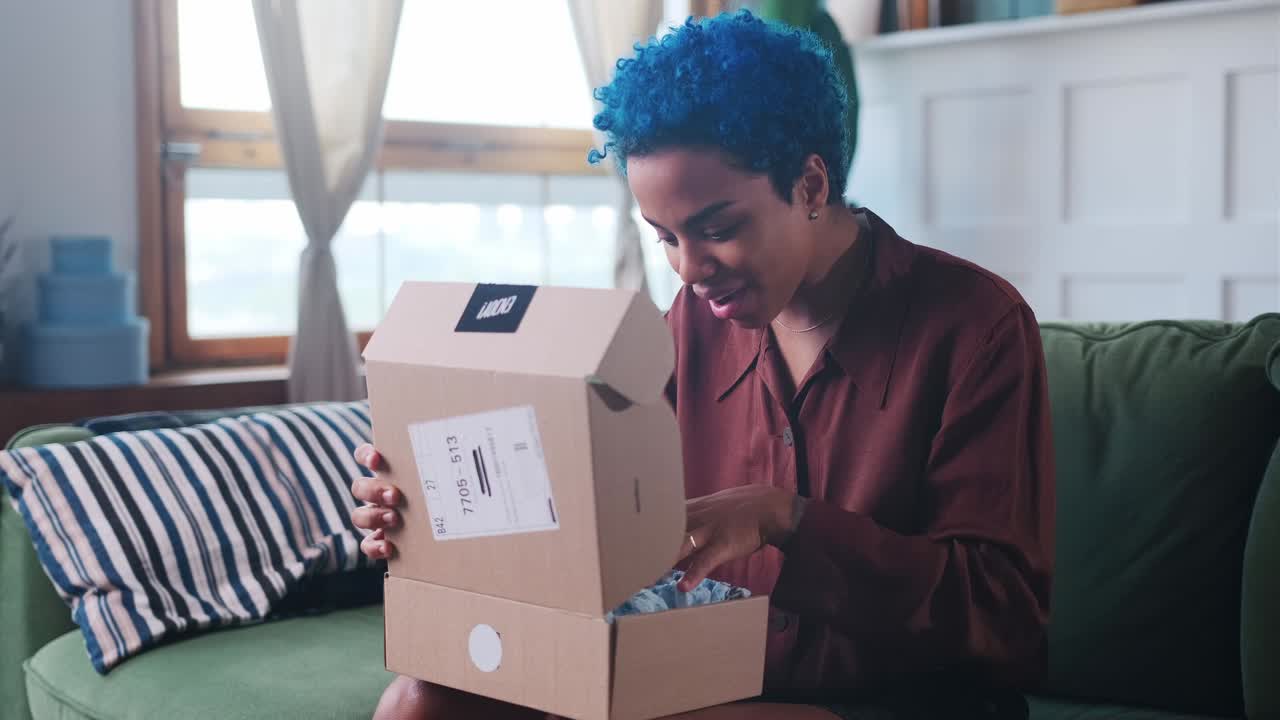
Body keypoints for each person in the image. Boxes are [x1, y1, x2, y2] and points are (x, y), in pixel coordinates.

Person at [349, 10, 1054, 720]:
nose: (689, 270)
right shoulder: (687, 325)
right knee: (420, 702)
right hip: (708, 681)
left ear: (810, 187)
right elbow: (591, 518)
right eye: (665, 238)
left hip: (898, 698)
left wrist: (787, 520)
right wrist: (436, 509)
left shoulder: (975, 326)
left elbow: (1004, 614)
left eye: (718, 230)